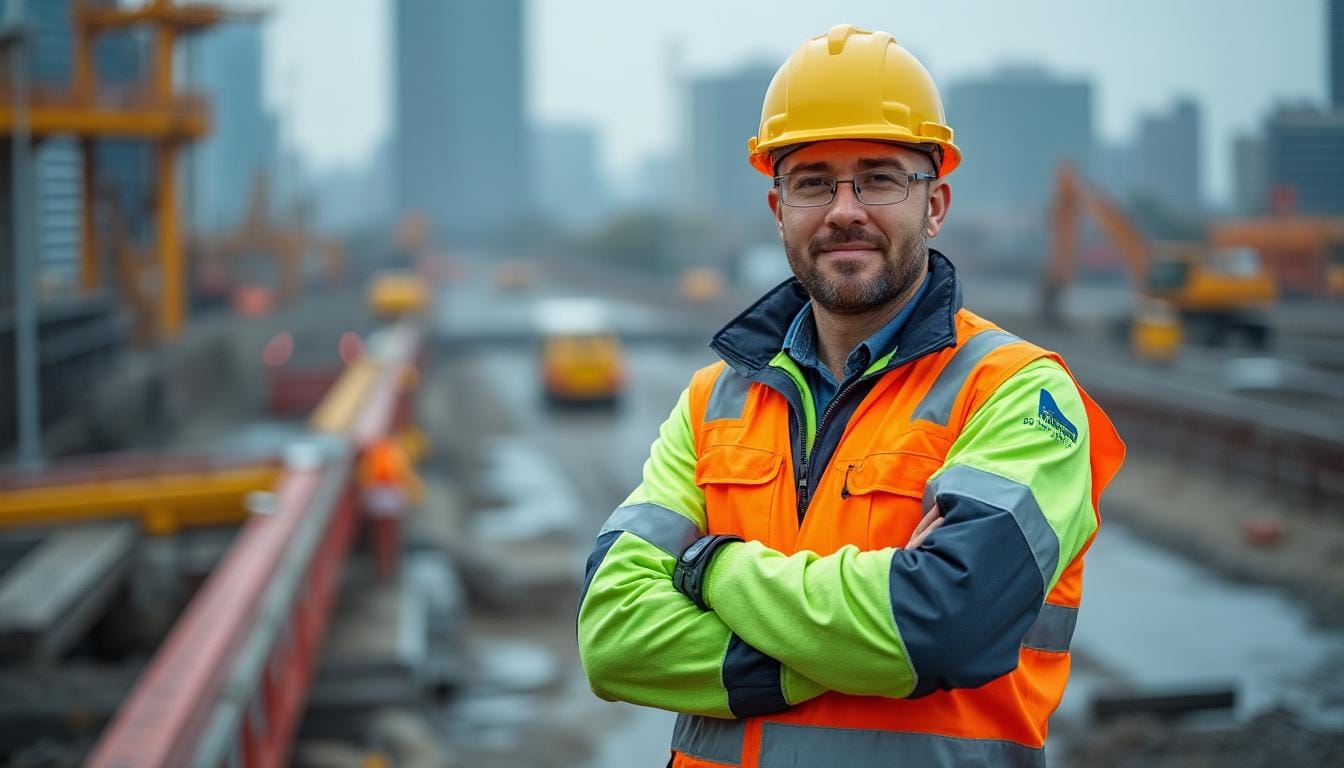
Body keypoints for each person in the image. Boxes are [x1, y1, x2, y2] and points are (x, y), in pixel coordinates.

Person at [578, 24, 1125, 767]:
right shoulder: (713, 404)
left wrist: (712, 569)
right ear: (779, 211)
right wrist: (844, 651)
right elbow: (611, 638)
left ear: (935, 204)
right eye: (812, 182)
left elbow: (943, 623)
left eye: (879, 176)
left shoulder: (1017, 395)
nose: (844, 209)